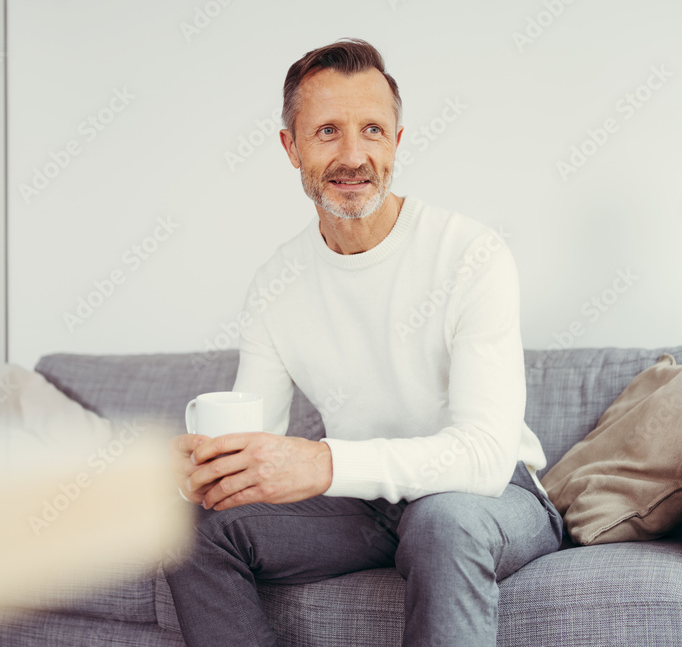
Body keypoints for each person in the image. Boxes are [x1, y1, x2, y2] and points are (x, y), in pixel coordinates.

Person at [164, 37, 563, 646]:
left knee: (441, 522)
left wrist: (324, 462)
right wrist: (211, 473)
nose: (354, 155)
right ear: (289, 146)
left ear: (397, 142)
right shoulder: (277, 283)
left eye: (372, 130)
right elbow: (258, 444)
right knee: (192, 527)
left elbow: (483, 456)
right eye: (327, 132)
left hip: (488, 494)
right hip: (363, 503)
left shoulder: (470, 253)